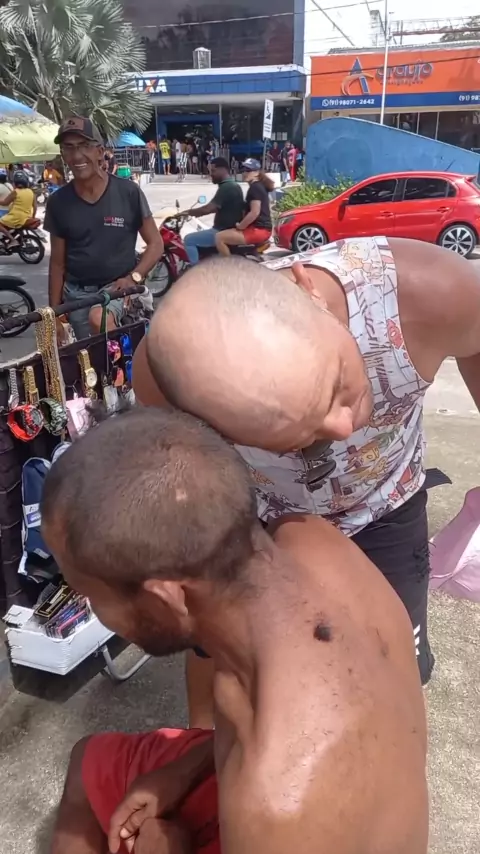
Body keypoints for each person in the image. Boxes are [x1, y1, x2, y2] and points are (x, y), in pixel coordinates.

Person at [42, 407, 428, 854]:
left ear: (165, 599)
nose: (94, 610)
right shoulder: (310, 538)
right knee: (88, 761)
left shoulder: (273, 809)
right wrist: (186, 769)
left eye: (91, 593)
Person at [133, 240, 480, 723]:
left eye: (337, 385)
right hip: (256, 514)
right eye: (299, 439)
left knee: (396, 672)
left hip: (385, 505)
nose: (344, 426)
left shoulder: (431, 293)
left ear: (308, 292)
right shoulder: (162, 379)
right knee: (230, 657)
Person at [44, 116, 163, 341]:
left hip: (118, 288)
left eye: (84, 146)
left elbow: (156, 244)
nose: (77, 155)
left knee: (99, 319)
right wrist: (54, 315)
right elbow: (57, 263)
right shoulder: (58, 202)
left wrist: (134, 278)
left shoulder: (128, 192)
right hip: (77, 295)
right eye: (68, 148)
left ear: (99, 152)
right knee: (89, 356)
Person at [182, 157, 244, 265]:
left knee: (189, 240)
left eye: (213, 171)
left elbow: (208, 209)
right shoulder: (232, 185)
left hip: (221, 231)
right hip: (228, 229)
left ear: (223, 169)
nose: (211, 174)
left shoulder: (227, 187)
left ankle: (195, 270)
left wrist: (186, 213)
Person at [215, 158, 273, 256]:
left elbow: (254, 212)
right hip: (263, 229)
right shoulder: (259, 186)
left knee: (219, 237)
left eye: (248, 170)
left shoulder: (255, 188)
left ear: (257, 173)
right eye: (243, 170)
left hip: (258, 230)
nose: (245, 173)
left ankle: (229, 264)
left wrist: (241, 226)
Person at [0, 170, 36, 246]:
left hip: (16, 217)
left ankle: (12, 240)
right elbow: (35, 207)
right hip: (27, 216)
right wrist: (33, 216)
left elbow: (5, 203)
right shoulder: (30, 191)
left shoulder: (16, 192)